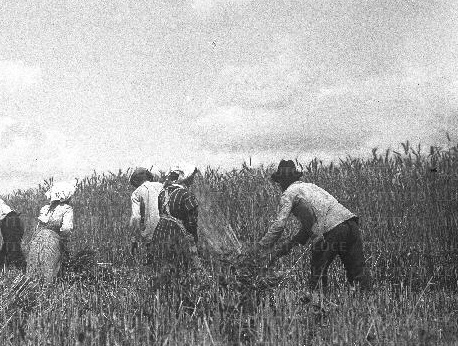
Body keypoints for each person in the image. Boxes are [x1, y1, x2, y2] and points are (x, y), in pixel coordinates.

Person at [255, 160, 371, 293]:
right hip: (351, 224)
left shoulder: (289, 193)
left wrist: (261, 246)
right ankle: (366, 303)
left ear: (283, 180)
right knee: (358, 272)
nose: (280, 185)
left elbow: (279, 225)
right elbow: (312, 222)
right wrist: (290, 244)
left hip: (331, 230)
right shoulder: (311, 187)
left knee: (318, 272)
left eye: (280, 181)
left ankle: (319, 306)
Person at [27, 181, 76, 283]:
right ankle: (48, 287)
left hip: (38, 237)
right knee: (50, 264)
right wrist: (62, 239)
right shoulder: (67, 209)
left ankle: (32, 285)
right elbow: (66, 228)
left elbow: (38, 226)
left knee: (36, 262)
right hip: (53, 238)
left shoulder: (45, 208)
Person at [129, 167, 163, 259]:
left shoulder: (136, 193)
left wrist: (134, 239)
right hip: (168, 230)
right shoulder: (162, 186)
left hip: (150, 235)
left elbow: (136, 217)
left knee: (153, 264)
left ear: (136, 181)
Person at [0, 199, 26, 271]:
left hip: (10, 220)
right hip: (10, 219)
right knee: (9, 245)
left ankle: (21, 269)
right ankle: (4, 266)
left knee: (12, 247)